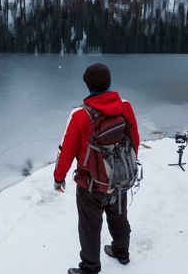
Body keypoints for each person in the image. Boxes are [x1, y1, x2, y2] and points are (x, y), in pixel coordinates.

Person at [53, 63, 140, 274]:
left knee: (90, 227)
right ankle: (121, 252)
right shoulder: (125, 106)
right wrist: (123, 166)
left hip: (90, 183)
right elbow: (134, 140)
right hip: (119, 177)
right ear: (109, 82)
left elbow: (67, 152)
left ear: (87, 85)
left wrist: (59, 178)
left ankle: (90, 268)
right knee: (119, 216)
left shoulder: (80, 115)